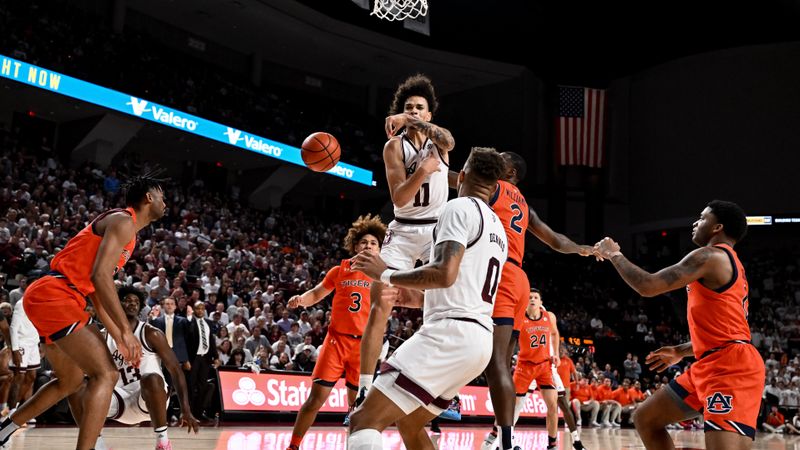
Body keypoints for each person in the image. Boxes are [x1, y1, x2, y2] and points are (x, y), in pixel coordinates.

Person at [347, 147, 507, 450]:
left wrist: (386, 273)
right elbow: (457, 287)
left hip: (449, 336)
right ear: (495, 186)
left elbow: (444, 274)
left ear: (461, 176)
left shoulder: (458, 207)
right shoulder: (498, 228)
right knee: (410, 423)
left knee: (363, 421)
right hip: (478, 342)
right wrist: (414, 296)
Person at [0, 172, 166, 449]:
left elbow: (96, 290)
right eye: (162, 196)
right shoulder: (125, 221)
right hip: (58, 294)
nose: (165, 202)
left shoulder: (129, 234)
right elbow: (101, 278)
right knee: (107, 374)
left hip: (58, 296)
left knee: (70, 380)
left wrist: (122, 337)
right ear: (149, 197)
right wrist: (126, 331)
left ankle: (5, 430)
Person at [595, 200, 763, 450]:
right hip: (709, 361)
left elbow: (648, 286)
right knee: (646, 418)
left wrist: (614, 254)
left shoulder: (711, 256)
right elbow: (724, 329)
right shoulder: (730, 263)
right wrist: (680, 351)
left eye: (702, 217)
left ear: (717, 227)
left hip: (730, 368)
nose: (696, 222)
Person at [481, 152, 593, 450]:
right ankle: (504, 437)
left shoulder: (495, 186)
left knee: (496, 363)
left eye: (501, 159)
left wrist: (429, 167)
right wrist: (582, 248)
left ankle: (503, 439)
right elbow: (556, 239)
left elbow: (458, 179)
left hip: (501, 273)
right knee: (500, 363)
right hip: (519, 279)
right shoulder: (525, 206)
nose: (494, 160)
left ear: (511, 171)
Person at [357, 74, 455, 405]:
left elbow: (450, 140)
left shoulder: (439, 141)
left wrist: (412, 123)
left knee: (445, 305)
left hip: (436, 231)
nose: (414, 111)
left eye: (420, 108)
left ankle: (441, 389)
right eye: (409, 107)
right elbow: (399, 198)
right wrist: (424, 171)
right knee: (380, 300)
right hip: (403, 228)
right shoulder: (393, 147)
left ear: (428, 115)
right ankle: (363, 389)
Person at [284, 214, 386, 450]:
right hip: (336, 342)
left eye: (373, 243)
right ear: (355, 246)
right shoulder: (340, 270)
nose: (368, 246)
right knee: (315, 400)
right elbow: (318, 293)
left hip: (364, 348)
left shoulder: (384, 274)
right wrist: (302, 300)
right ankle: (293, 446)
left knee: (356, 409)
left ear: (380, 250)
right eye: (364, 242)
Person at [69, 286, 199, 450]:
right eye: (128, 300)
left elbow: (176, 371)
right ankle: (98, 444)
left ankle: (163, 442)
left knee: (150, 378)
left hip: (149, 400)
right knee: (75, 388)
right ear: (116, 303)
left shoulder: (151, 333)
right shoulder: (103, 336)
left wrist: (185, 409)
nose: (132, 304)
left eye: (136, 301)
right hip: (119, 400)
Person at [6, 298, 40, 417]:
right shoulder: (22, 303)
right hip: (22, 343)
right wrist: (15, 349)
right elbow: (13, 327)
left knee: (31, 377)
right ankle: (11, 410)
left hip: (34, 342)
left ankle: (16, 408)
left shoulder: (41, 302)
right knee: (19, 376)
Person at [186, 301, 219, 420]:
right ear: (194, 310)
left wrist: (215, 357)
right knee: (190, 386)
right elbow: (186, 340)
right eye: (198, 308)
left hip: (205, 359)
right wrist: (185, 360)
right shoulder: (189, 322)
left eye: (202, 308)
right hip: (193, 359)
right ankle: (188, 413)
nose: (200, 310)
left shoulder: (209, 323)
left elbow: (211, 341)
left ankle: (198, 413)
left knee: (202, 387)